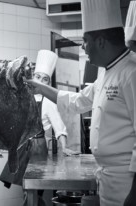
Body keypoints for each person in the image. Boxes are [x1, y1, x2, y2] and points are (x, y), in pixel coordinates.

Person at [24, 0, 136, 205]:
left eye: (86, 40)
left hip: (127, 186)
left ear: (101, 41)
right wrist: (38, 87)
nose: (83, 46)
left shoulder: (132, 73)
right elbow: (77, 101)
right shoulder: (106, 73)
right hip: (107, 182)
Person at [0, 50, 80, 206]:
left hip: (37, 148)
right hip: (20, 146)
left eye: (45, 79)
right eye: (38, 77)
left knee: (34, 189)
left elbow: (59, 127)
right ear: (32, 77)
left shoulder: (48, 101)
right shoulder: (21, 96)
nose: (40, 81)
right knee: (27, 189)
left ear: (48, 83)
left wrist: (65, 147)